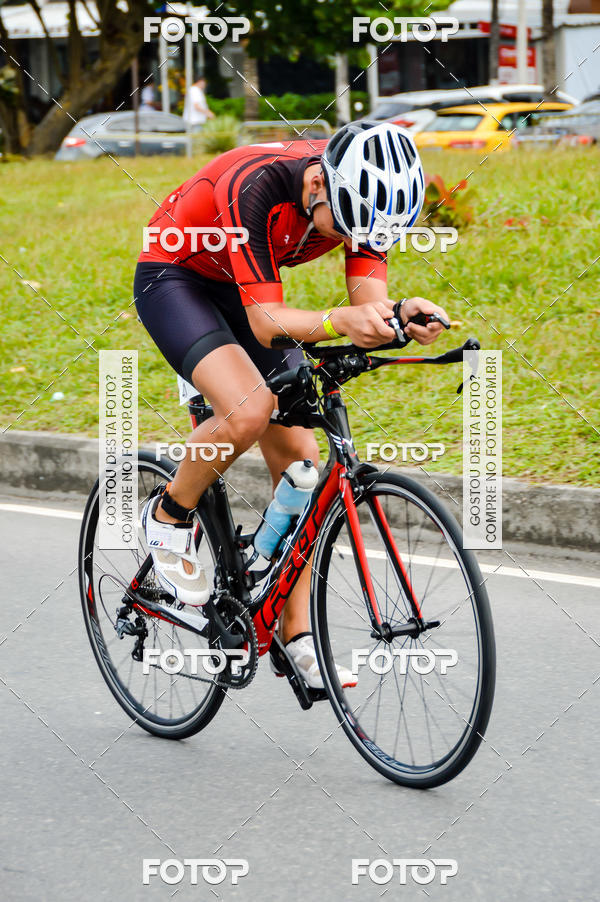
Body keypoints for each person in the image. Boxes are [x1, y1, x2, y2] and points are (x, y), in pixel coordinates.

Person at [134, 121, 450, 688]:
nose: (354, 241)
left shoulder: (362, 201)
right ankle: (167, 518)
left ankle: (294, 633)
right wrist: (338, 323)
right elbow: (265, 322)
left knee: (302, 462)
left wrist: (398, 317)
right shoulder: (255, 186)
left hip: (250, 286)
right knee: (249, 410)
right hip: (178, 277)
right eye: (346, 227)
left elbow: (367, 306)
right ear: (319, 185)